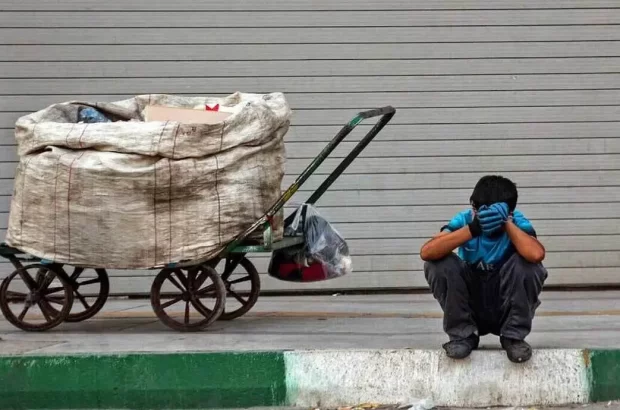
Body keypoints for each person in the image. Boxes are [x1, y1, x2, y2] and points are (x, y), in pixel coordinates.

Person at [420, 175, 547, 363]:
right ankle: (462, 335)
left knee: (528, 266)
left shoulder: (517, 221)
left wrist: (505, 223)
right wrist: (473, 228)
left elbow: (536, 254)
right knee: (438, 263)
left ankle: (513, 337)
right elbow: (427, 252)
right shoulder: (465, 219)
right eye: (479, 210)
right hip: (470, 303)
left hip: (504, 304)